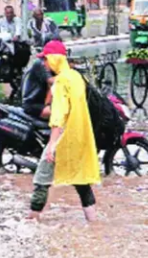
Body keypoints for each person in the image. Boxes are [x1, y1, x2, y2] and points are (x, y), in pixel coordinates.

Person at [28, 40, 100, 222]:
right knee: (81, 181)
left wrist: (52, 145)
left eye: (45, 59)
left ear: (54, 59)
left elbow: (59, 115)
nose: (44, 64)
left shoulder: (60, 82)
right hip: (81, 136)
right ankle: (94, 223)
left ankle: (32, 221)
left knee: (41, 178)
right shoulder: (76, 77)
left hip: (64, 137)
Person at [22, 52, 55, 119]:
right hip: (33, 103)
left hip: (43, 103)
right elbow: (51, 81)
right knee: (60, 113)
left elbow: (50, 89)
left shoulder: (52, 67)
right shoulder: (40, 63)